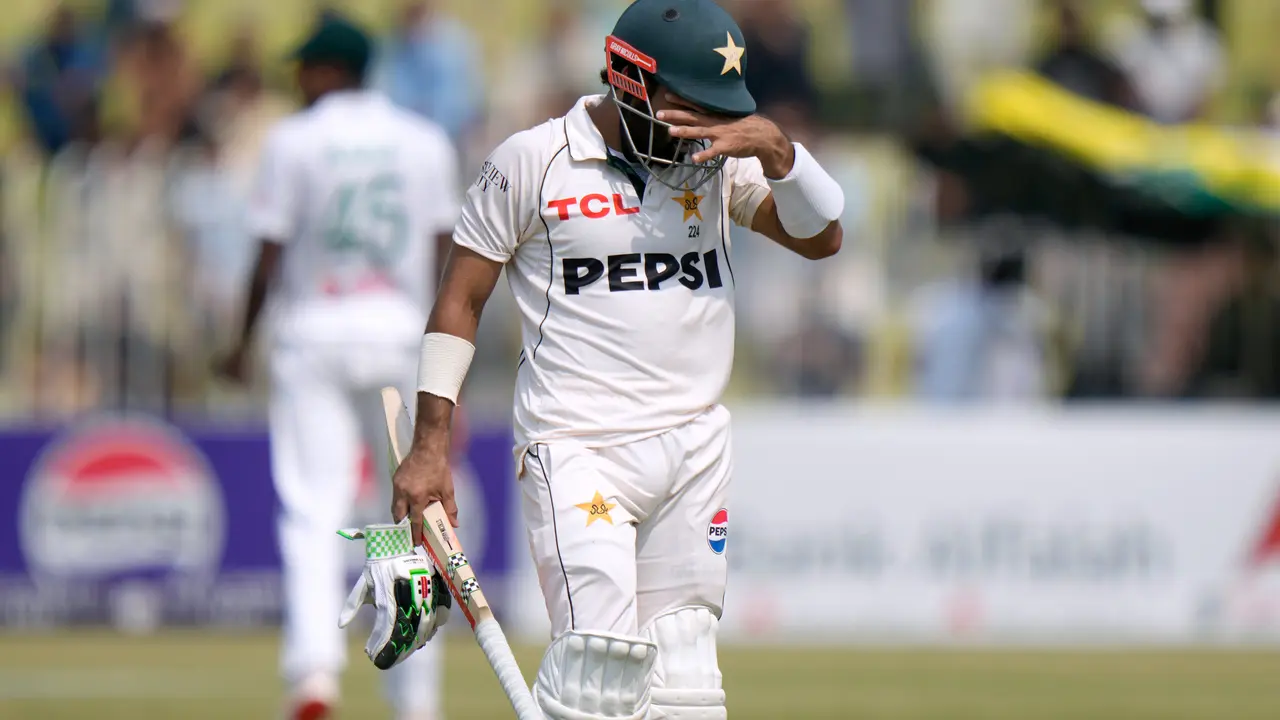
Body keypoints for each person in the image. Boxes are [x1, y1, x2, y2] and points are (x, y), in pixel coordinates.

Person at [390, 1, 844, 718]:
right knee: (595, 668)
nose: (704, 127)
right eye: (688, 108)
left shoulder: (718, 164)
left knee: (688, 675)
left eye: (718, 111)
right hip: (578, 448)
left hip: (694, 446)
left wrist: (779, 153)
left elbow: (821, 238)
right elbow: (459, 303)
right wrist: (429, 447)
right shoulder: (532, 161)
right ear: (630, 81)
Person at [216, 15, 458, 720]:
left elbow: (268, 251)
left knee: (313, 509)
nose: (298, 80)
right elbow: (448, 257)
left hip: (314, 335)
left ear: (328, 71)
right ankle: (413, 695)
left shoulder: (293, 140)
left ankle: (314, 676)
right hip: (400, 338)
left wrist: (239, 344)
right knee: (407, 519)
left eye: (304, 68)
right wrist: (448, 364)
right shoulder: (423, 140)